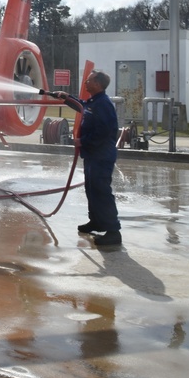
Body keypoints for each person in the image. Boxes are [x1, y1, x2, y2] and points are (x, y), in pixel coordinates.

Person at [56, 70, 121, 246]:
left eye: (89, 80)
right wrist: (67, 98)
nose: (85, 82)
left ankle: (113, 231)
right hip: (93, 155)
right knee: (91, 190)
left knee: (101, 192)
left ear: (98, 84)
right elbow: (83, 105)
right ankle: (96, 221)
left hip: (101, 155)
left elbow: (104, 132)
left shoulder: (104, 104)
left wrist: (81, 141)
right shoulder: (94, 102)